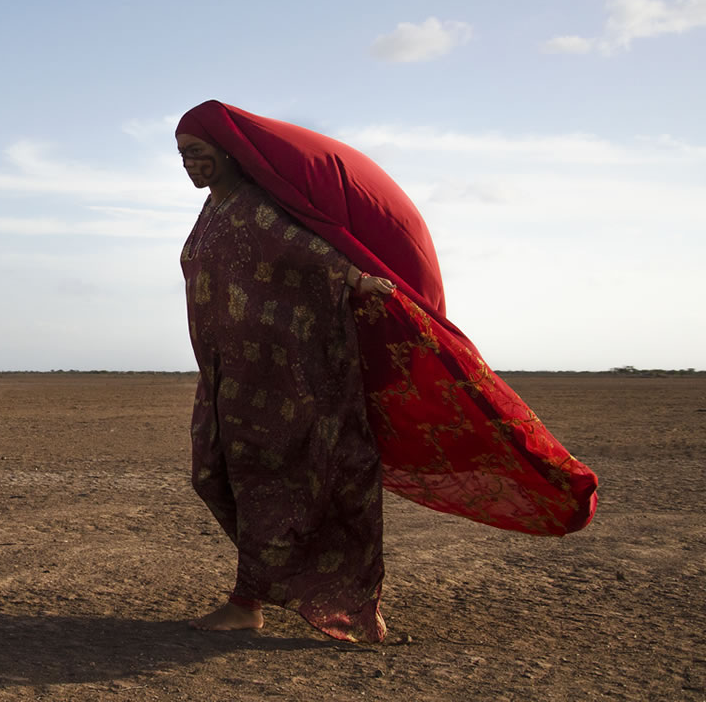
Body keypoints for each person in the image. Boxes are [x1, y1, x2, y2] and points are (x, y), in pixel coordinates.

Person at [175, 100, 598, 643]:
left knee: (279, 485)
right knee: (216, 476)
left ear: (229, 151)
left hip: (286, 380)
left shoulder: (256, 207)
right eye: (183, 157)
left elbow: (307, 252)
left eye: (198, 153)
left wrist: (356, 278)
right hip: (228, 379)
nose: (189, 165)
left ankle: (258, 601)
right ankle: (262, 589)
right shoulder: (212, 212)